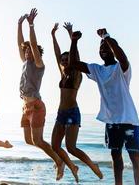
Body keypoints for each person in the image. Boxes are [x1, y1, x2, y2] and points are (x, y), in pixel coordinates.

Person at [69, 29, 139, 185]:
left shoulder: (122, 68)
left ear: (112, 47)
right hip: (111, 121)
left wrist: (106, 37)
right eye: (101, 47)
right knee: (116, 156)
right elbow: (74, 64)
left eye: (106, 47)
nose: (103, 49)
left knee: (134, 155)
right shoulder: (98, 70)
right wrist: (74, 41)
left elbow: (122, 57)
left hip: (129, 119)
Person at [50, 22, 103, 183]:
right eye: (63, 60)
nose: (65, 61)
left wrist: (72, 36)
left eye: (67, 59)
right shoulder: (63, 73)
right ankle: (72, 166)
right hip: (61, 114)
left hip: (72, 112)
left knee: (71, 147)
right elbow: (56, 53)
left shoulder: (76, 74)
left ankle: (93, 166)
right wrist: (53, 36)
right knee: (55, 146)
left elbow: (76, 56)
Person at [17, 8, 64, 180]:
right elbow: (20, 44)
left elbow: (34, 47)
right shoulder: (25, 62)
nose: (27, 52)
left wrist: (31, 25)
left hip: (36, 106)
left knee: (38, 141)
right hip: (25, 107)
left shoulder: (38, 64)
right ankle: (57, 158)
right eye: (26, 50)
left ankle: (59, 162)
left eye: (30, 50)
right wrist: (19, 25)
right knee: (29, 141)